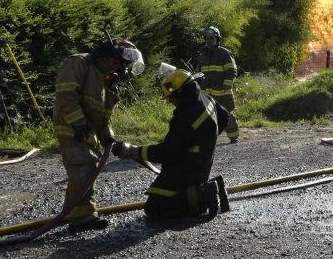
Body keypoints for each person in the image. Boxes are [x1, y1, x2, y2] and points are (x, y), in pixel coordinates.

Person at [113, 63, 230, 219]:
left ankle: (203, 195)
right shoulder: (205, 98)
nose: (170, 101)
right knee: (161, 197)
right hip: (201, 162)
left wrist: (134, 151)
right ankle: (209, 187)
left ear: (181, 92)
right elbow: (224, 116)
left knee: (155, 207)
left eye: (171, 97)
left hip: (187, 167)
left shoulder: (186, 116)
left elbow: (167, 152)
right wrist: (206, 141)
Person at [54, 37, 145, 232]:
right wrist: (79, 124)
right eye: (119, 63)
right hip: (71, 129)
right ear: (108, 55)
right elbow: (66, 96)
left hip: (88, 133)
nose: (119, 68)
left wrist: (108, 138)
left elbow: (105, 117)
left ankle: (72, 213)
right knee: (83, 168)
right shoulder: (78, 62)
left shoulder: (106, 79)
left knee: (85, 171)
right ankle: (83, 219)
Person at [197, 26, 239, 143]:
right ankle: (209, 140)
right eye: (207, 38)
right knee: (207, 117)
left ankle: (233, 137)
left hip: (222, 92)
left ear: (217, 40)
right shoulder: (203, 54)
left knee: (227, 115)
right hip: (207, 93)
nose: (209, 41)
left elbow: (231, 70)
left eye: (212, 38)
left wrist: (227, 85)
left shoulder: (224, 53)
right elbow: (198, 73)